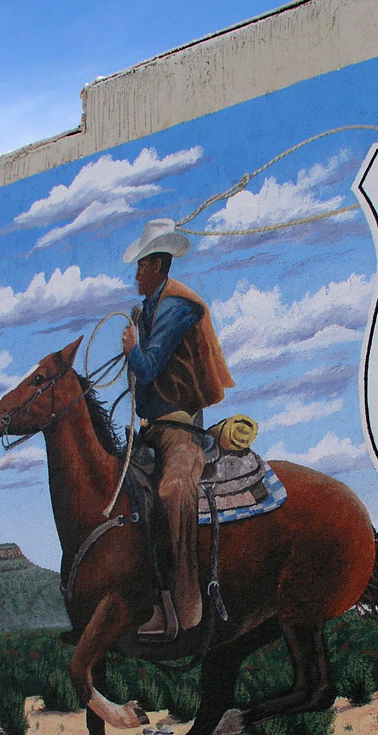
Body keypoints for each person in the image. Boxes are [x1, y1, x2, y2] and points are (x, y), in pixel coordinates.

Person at [120, 219, 235, 641]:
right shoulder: (148, 308)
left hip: (180, 431)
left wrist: (133, 349)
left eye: (140, 266)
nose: (135, 275)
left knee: (171, 492)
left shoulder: (177, 307)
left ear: (157, 265)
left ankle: (185, 608)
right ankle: (147, 601)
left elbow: (148, 368)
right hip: (151, 430)